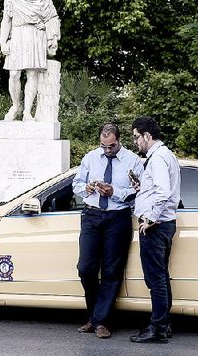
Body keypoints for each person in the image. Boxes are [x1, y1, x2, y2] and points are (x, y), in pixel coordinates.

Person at [72, 123, 144, 339]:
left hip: (117, 217)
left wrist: (114, 192)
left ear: (118, 140)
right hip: (92, 215)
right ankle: (94, 316)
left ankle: (100, 322)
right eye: (103, 146)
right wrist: (85, 188)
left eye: (111, 146)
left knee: (112, 271)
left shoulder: (133, 160)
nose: (107, 150)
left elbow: (138, 190)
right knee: (86, 268)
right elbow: (76, 184)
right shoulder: (91, 158)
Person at [129, 116, 181, 344]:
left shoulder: (158, 158)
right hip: (164, 224)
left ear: (147, 136)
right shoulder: (164, 155)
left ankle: (158, 328)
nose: (135, 142)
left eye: (136, 137)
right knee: (161, 277)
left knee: (155, 279)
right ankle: (164, 325)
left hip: (156, 227)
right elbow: (158, 189)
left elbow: (164, 192)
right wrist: (141, 188)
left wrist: (150, 218)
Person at [0, 0, 60, 121]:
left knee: (32, 74)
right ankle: (15, 106)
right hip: (18, 35)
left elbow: (52, 17)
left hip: (35, 35)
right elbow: (6, 21)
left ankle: (27, 111)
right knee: (14, 74)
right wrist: (3, 42)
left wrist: (51, 37)